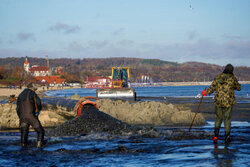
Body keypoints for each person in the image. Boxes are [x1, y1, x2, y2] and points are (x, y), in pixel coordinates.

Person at [202, 64, 241, 144]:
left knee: (218, 119)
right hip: (228, 102)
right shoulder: (232, 78)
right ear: (231, 71)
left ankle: (216, 136)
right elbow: (239, 88)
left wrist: (206, 93)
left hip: (218, 101)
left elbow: (212, 88)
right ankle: (227, 137)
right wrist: (232, 86)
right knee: (227, 120)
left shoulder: (218, 77)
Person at [16, 82, 45, 147]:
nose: (35, 90)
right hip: (31, 116)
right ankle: (39, 147)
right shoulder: (33, 94)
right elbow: (38, 104)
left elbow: (17, 109)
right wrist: (37, 113)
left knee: (24, 133)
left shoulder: (20, 94)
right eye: (35, 89)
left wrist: (20, 117)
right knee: (41, 131)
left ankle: (23, 146)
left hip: (22, 117)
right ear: (32, 88)